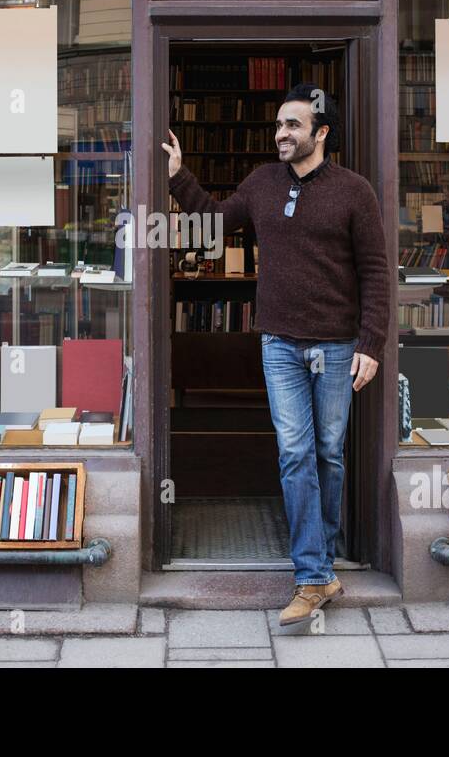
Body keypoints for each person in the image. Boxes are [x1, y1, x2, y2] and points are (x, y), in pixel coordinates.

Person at [163, 82, 390, 625]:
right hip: (280, 343)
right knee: (295, 453)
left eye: (293, 125)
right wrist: (179, 177)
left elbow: (377, 273)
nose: (281, 134)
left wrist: (372, 343)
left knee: (328, 455)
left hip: (337, 347)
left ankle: (322, 564)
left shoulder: (355, 192)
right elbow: (214, 223)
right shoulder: (263, 182)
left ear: (322, 133)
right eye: (278, 124)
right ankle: (312, 575)